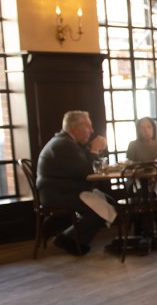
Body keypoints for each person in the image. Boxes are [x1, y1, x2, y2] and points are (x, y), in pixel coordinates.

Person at [37, 110, 115, 256]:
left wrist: (93, 149)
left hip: (66, 190)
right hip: (58, 194)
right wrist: (94, 149)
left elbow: (85, 162)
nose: (91, 131)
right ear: (74, 127)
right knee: (102, 209)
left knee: (109, 202)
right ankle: (66, 238)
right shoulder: (62, 144)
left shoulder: (69, 142)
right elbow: (87, 171)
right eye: (88, 126)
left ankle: (76, 241)